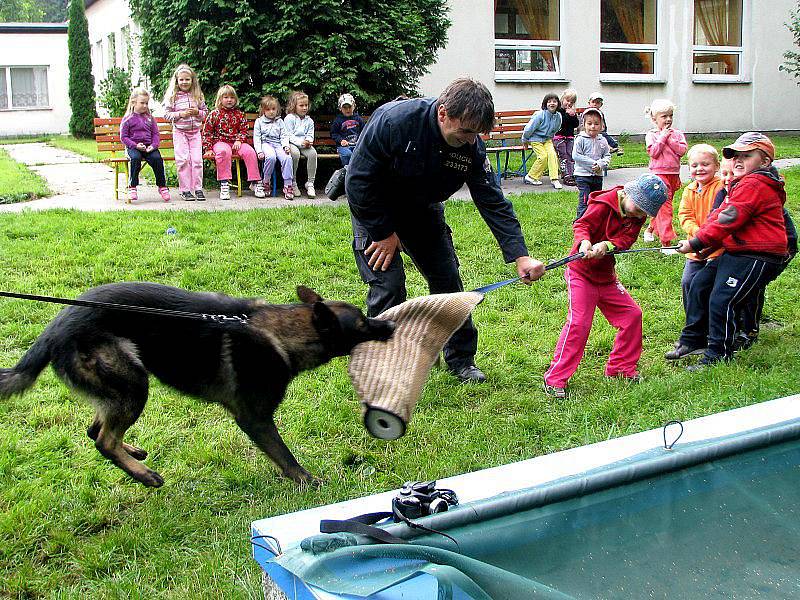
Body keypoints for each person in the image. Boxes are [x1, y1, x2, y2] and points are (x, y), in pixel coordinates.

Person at [345, 78, 546, 383]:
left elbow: (492, 200)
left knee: (448, 282)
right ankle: (384, 364)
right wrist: (383, 233)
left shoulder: (471, 146)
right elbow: (358, 181)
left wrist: (520, 255)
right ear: (443, 114)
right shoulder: (394, 122)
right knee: (389, 286)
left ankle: (461, 360)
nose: (471, 140)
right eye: (466, 131)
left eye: (477, 133)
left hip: (422, 211)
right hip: (376, 209)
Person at [668, 132, 789, 370]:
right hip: (737, 250)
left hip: (758, 254)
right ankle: (693, 339)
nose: (738, 161)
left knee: (722, 299)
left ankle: (718, 354)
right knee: (700, 283)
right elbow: (717, 218)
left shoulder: (755, 184)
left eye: (747, 155)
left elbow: (728, 219)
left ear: (765, 162)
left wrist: (695, 243)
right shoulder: (738, 185)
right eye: (735, 156)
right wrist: (704, 245)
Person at [543, 174, 668, 398]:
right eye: (638, 209)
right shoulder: (603, 205)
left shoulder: (635, 213)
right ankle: (555, 379)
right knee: (579, 324)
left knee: (632, 315)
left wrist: (607, 245)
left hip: (606, 277)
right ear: (628, 193)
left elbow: (627, 240)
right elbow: (582, 224)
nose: (638, 215)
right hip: (581, 274)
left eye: (643, 214)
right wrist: (585, 242)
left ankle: (621, 368)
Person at [676, 144, 724, 308]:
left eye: (705, 164)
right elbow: (685, 215)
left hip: (718, 249)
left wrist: (706, 237)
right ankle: (692, 319)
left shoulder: (721, 187)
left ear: (717, 166)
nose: (700, 169)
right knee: (688, 282)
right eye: (694, 165)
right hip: (694, 248)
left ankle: (711, 317)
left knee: (710, 286)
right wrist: (697, 233)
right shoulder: (689, 190)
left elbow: (722, 217)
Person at [202, 84, 261, 201]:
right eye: (226, 97)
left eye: (232, 97)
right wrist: (208, 148)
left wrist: (239, 139)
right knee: (224, 151)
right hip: (220, 142)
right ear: (220, 99)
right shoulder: (214, 114)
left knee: (250, 152)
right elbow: (207, 132)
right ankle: (224, 184)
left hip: (236, 143)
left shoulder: (239, 114)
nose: (229, 100)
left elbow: (244, 130)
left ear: (235, 99)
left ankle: (255, 182)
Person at [643, 99, 687, 244]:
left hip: (674, 175)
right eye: (664, 116)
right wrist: (663, 137)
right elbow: (654, 152)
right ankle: (666, 241)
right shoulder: (652, 135)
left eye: (671, 116)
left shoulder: (677, 134)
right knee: (666, 207)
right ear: (654, 119)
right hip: (658, 175)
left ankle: (650, 229)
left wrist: (670, 140)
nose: (668, 119)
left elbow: (682, 151)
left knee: (661, 206)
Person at [162, 64, 207, 201]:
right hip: (180, 132)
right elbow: (166, 115)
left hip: (195, 133)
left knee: (197, 160)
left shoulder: (197, 95)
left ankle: (198, 188)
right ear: (177, 81)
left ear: (192, 80)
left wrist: (197, 112)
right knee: (183, 160)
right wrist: (180, 114)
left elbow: (205, 114)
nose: (184, 82)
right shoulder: (173, 97)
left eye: (187, 79)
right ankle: (185, 189)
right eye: (181, 80)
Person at [120, 87, 170, 203]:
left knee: (157, 158)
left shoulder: (150, 118)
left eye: (146, 103)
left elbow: (156, 134)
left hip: (148, 147)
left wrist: (153, 145)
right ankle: (132, 186)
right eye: (142, 103)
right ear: (133, 102)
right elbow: (123, 137)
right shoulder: (128, 119)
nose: (145, 106)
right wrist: (135, 145)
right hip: (133, 147)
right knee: (135, 158)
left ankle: (162, 186)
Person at [572, 107, 611, 219]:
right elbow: (576, 155)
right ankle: (580, 223)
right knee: (584, 200)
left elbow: (607, 156)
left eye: (596, 124)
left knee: (597, 200)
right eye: (589, 123)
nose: (593, 126)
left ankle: (594, 221)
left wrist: (601, 164)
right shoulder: (580, 139)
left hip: (597, 176)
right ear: (584, 124)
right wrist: (593, 163)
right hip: (582, 176)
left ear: (602, 125)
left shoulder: (602, 140)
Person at [253, 96, 293, 200]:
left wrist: (286, 146)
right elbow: (256, 138)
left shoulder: (280, 121)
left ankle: (288, 185)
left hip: (278, 144)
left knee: (287, 158)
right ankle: (266, 181)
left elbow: (284, 135)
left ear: (277, 110)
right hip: (265, 144)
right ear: (263, 110)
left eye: (273, 109)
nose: (271, 112)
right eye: (268, 109)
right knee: (271, 157)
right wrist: (259, 151)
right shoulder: (259, 121)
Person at [522, 92, 563, 189]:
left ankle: (554, 179)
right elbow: (529, 128)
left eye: (554, 101)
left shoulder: (558, 116)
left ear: (558, 104)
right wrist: (525, 140)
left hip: (547, 140)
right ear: (545, 104)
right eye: (549, 102)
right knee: (543, 156)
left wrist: (550, 136)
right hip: (535, 139)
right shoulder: (540, 115)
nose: (552, 103)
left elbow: (556, 128)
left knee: (552, 155)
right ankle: (531, 176)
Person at [285, 91, 317, 198]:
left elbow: (310, 134)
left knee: (313, 153)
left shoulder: (309, 121)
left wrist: (308, 141)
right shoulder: (289, 118)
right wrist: (300, 142)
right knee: (294, 154)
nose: (304, 108)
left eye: (306, 105)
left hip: (305, 144)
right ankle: (293, 182)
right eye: (301, 105)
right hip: (292, 143)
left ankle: (310, 183)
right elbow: (288, 135)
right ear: (294, 106)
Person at [554, 88, 580, 187]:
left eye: (572, 102)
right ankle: (566, 175)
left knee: (571, 155)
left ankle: (572, 173)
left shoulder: (572, 111)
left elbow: (576, 124)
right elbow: (560, 122)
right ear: (562, 99)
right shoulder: (558, 111)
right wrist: (567, 114)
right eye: (567, 100)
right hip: (559, 137)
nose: (569, 103)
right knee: (563, 156)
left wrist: (573, 116)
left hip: (569, 137)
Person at [331, 93, 365, 166]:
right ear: (340, 108)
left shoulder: (359, 119)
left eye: (349, 106)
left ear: (354, 106)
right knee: (347, 155)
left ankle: (358, 173)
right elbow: (334, 134)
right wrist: (341, 141)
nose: (348, 109)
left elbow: (364, 132)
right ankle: (347, 171)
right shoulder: (338, 120)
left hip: (357, 145)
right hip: (344, 146)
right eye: (345, 107)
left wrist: (360, 141)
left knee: (361, 155)